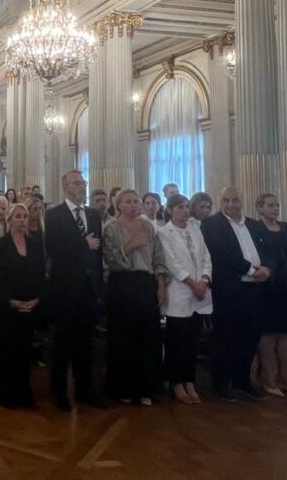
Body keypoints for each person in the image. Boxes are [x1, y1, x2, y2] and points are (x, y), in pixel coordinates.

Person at [200, 187, 273, 402]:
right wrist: (252, 269)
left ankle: (242, 380)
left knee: (250, 338)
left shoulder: (255, 225)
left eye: (234, 200)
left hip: (256, 290)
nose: (230, 204)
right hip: (230, 290)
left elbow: (270, 252)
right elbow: (222, 254)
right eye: (225, 200)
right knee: (225, 338)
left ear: (242, 201)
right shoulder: (212, 224)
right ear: (219, 202)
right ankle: (221, 384)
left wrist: (268, 269)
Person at [43, 170, 107, 410]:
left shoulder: (93, 214)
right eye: (76, 183)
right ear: (65, 187)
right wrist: (83, 244)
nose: (81, 186)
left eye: (83, 182)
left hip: (88, 289)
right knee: (62, 344)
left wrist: (98, 286)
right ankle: (59, 393)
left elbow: (97, 253)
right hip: (64, 289)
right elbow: (54, 247)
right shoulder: (54, 214)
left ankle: (85, 389)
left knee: (85, 344)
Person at [103, 190, 168, 405]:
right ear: (119, 205)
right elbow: (110, 261)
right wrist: (131, 244)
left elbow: (158, 256)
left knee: (148, 335)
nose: (134, 205)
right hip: (122, 284)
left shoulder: (148, 226)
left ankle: (146, 388)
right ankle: (124, 388)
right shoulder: (111, 228)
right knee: (124, 337)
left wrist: (160, 284)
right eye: (128, 202)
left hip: (146, 284)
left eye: (136, 201)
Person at [250, 193, 287, 397]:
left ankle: (286, 378)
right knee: (268, 336)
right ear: (260, 208)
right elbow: (265, 259)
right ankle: (268, 378)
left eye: (277, 205)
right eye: (270, 205)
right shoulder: (255, 229)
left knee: (285, 335)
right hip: (269, 287)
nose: (275, 208)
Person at [157, 193, 212, 404]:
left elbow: (206, 256)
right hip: (180, 291)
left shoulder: (195, 229)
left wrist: (204, 280)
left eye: (187, 206)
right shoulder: (164, 232)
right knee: (176, 341)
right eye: (180, 207)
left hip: (200, 291)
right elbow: (171, 262)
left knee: (192, 341)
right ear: (170, 210)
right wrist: (191, 283)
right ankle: (176, 382)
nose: (185, 211)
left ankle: (190, 380)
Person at [0, 203, 46, 409]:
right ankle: (5, 393)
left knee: (25, 350)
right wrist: (12, 301)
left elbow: (40, 275)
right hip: (8, 305)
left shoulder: (35, 244)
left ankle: (24, 392)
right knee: (8, 350)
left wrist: (36, 299)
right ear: (9, 220)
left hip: (30, 304)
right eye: (18, 216)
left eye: (24, 216)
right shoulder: (0, 245)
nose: (22, 219)